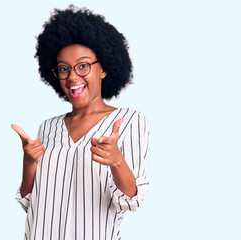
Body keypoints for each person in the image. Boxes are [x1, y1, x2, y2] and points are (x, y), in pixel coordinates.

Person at [12, 5, 150, 240]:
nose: (73, 76)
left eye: (83, 65)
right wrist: (28, 162)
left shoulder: (128, 121)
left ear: (104, 67)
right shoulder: (48, 127)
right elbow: (29, 201)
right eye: (64, 68)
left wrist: (116, 161)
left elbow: (131, 199)